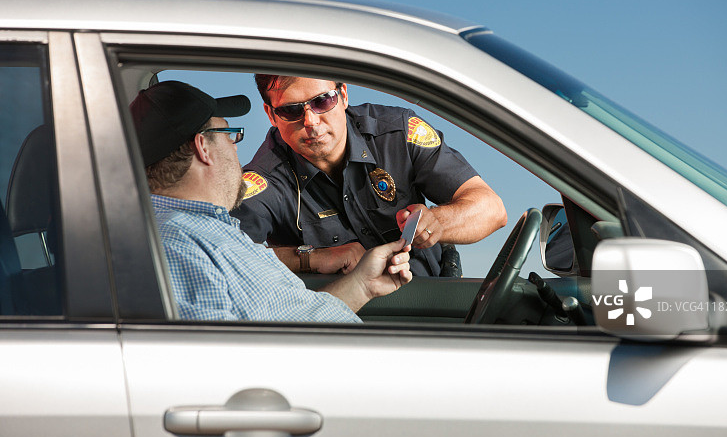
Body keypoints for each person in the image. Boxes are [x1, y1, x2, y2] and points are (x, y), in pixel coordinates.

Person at [129, 80, 412, 323]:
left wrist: (363, 285)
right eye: (230, 134)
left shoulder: (211, 233)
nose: (235, 146)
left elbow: (292, 319)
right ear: (203, 147)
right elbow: (217, 366)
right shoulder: (175, 248)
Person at [232, 75, 507, 277]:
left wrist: (437, 223)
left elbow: (492, 210)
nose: (311, 122)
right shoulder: (262, 181)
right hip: (336, 328)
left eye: (322, 101)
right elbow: (221, 254)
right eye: (291, 110)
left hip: (430, 305)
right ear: (270, 114)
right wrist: (313, 259)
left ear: (343, 94)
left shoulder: (398, 134)